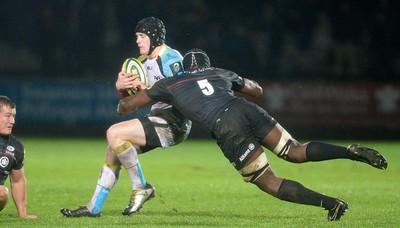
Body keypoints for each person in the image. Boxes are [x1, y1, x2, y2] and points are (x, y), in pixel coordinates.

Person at [116, 48, 388, 221]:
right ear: (207, 64)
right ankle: (349, 151)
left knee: (269, 182)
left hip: (225, 126)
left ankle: (332, 203)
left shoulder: (172, 83)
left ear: (186, 68)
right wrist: (233, 81)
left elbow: (126, 107)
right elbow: (256, 90)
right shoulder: (220, 72)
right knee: (295, 150)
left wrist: (124, 88)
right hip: (245, 108)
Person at [60, 17, 191, 217]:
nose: (137, 41)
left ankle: (141, 187)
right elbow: (130, 103)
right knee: (113, 149)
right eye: (137, 36)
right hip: (159, 118)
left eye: (142, 36)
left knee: (114, 133)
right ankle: (93, 208)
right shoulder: (139, 63)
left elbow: (181, 94)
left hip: (174, 121)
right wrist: (122, 89)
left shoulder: (171, 59)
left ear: (154, 37)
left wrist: (146, 90)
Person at [0, 96, 37, 219]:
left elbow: (18, 181)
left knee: (1, 193)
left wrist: (23, 214)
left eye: (14, 117)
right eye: (8, 116)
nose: (12, 121)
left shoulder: (16, 147)